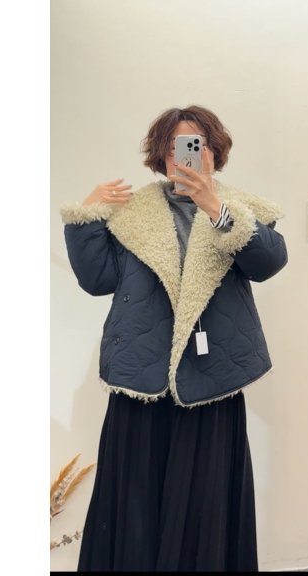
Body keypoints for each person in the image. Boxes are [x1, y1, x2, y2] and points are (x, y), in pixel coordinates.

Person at [60, 105, 288, 571]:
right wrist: (88, 216)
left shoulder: (241, 209)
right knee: (135, 503)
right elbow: (97, 280)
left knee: (207, 503)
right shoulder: (133, 213)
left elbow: (268, 263)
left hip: (211, 381)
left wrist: (216, 209)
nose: (183, 155)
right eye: (173, 146)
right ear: (160, 155)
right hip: (142, 379)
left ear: (213, 151)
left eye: (194, 145)